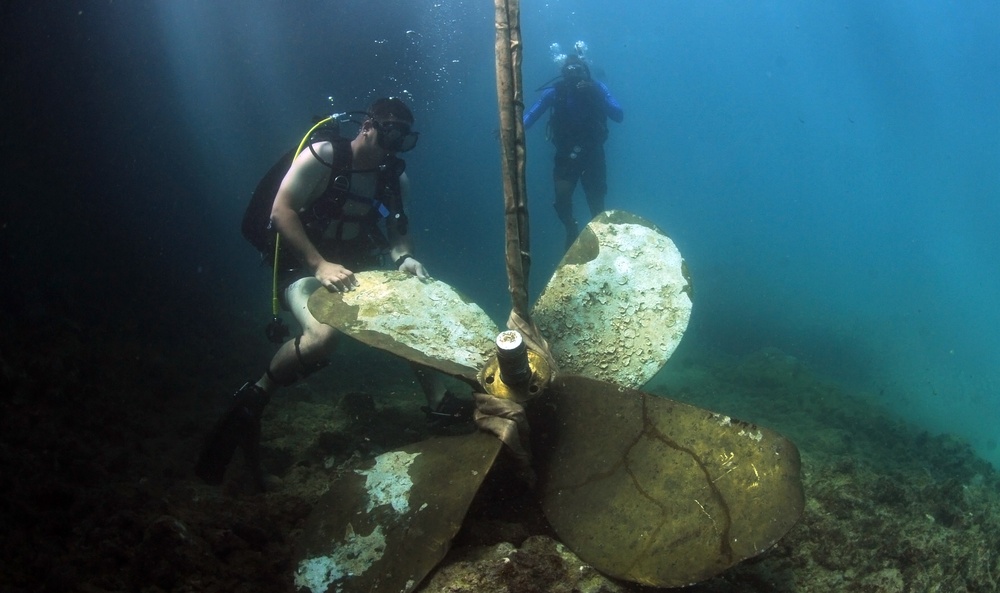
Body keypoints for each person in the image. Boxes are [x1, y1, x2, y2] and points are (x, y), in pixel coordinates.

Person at [196, 97, 470, 490]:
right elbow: (281, 211)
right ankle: (255, 396)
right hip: (301, 267)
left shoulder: (394, 177)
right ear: (368, 126)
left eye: (403, 139)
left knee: (412, 303)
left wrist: (405, 259)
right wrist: (319, 264)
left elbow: (398, 234)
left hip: (354, 268)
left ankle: (439, 400)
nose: (393, 146)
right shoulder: (323, 156)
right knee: (322, 338)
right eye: (389, 134)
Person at [523, 54, 624, 248]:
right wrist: (512, 129)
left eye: (578, 70)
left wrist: (595, 93)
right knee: (561, 200)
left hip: (593, 154)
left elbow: (618, 115)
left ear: (586, 72)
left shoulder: (598, 88)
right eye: (569, 71)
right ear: (563, 74)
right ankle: (571, 228)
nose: (574, 75)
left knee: (596, 202)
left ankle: (600, 239)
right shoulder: (555, 92)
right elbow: (532, 114)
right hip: (565, 155)